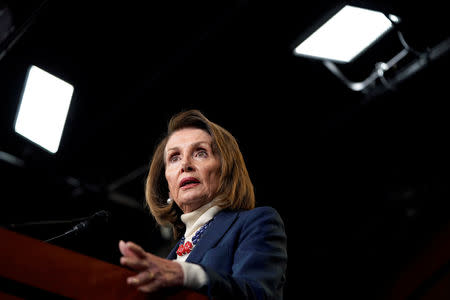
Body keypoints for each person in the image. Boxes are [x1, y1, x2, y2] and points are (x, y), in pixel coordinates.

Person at [119, 109, 287, 299]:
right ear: (167, 187)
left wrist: (189, 275)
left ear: (226, 171)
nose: (185, 165)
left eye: (200, 153)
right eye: (174, 158)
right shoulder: (169, 254)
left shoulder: (257, 222)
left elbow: (260, 294)